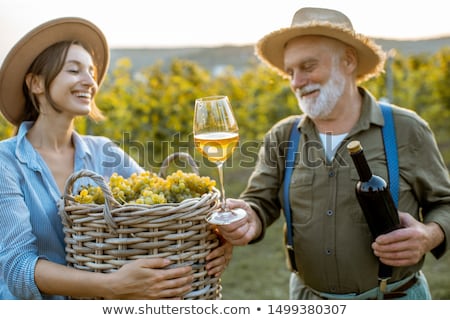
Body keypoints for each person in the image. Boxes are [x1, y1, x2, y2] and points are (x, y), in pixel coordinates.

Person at [216, 7, 450, 299]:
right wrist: (249, 216)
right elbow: (259, 202)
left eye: (308, 66)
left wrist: (429, 235)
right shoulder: (283, 136)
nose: (296, 82)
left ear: (348, 61)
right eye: (290, 72)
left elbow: (444, 203)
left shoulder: (405, 129)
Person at [0, 17, 232, 300]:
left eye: (91, 71)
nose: (90, 81)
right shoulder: (6, 162)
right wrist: (112, 285)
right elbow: (17, 269)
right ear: (35, 83)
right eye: (74, 70)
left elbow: (163, 209)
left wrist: (217, 239)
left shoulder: (104, 151)